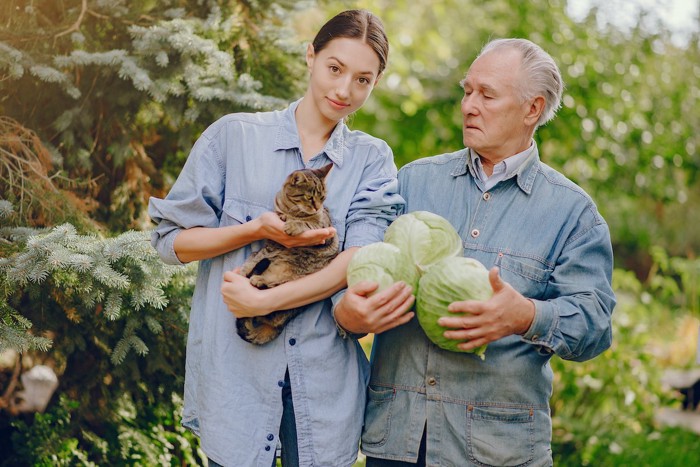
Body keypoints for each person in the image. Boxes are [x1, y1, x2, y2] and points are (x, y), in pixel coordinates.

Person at [334, 38, 617, 466]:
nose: (469, 105)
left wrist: (526, 315)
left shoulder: (572, 212)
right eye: (468, 91)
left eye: (487, 95)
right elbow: (355, 265)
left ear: (532, 109)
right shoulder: (411, 182)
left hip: (497, 450)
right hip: (396, 442)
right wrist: (349, 315)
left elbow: (595, 325)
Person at [148, 10, 407, 467]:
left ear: (376, 83)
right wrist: (255, 230)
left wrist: (266, 301)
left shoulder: (372, 160)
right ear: (311, 56)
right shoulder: (234, 137)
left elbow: (359, 258)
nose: (344, 90)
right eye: (335, 68)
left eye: (363, 80)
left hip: (325, 394)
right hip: (237, 391)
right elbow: (171, 242)